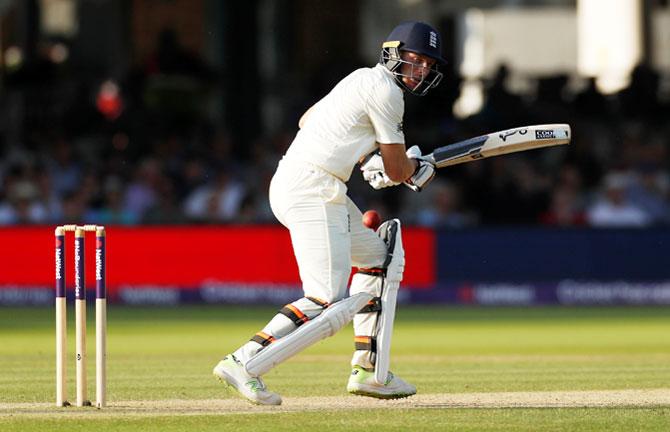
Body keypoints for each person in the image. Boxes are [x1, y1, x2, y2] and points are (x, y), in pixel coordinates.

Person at [213, 21, 445, 405]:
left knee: (380, 260)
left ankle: (369, 371)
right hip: (312, 188)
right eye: (414, 59)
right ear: (393, 53)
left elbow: (308, 120)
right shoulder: (388, 92)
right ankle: (244, 361)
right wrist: (416, 168)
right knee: (325, 299)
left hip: (313, 183)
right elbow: (398, 171)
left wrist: (367, 156)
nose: (419, 69)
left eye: (426, 64)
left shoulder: (359, 79)